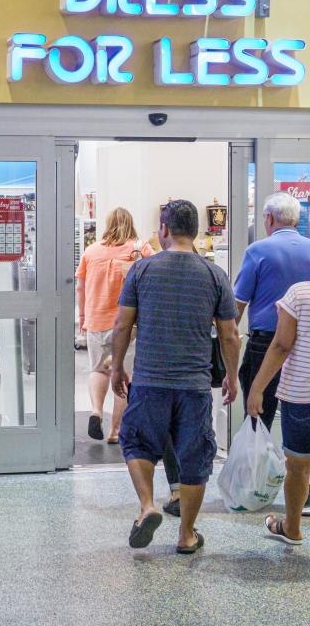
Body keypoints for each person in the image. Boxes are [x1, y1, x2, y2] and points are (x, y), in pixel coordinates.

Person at [111, 200, 240, 553]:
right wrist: (232, 375)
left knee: (136, 441)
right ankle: (186, 535)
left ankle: (148, 506)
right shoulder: (214, 275)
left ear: (164, 230)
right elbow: (229, 335)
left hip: (150, 380)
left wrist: (117, 365)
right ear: (195, 231)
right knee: (195, 457)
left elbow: (122, 323)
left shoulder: (141, 271)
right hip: (194, 385)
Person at [234, 192, 310, 433]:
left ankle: (261, 467)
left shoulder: (258, 251)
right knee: (300, 411)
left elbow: (238, 303)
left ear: (268, 218)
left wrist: (228, 338)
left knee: (259, 414)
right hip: (305, 345)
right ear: (296, 220)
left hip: (265, 343)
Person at [76, 207, 153, 443]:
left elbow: (80, 287)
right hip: (127, 325)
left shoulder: (91, 252)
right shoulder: (141, 250)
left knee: (98, 369)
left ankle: (96, 411)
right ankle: (115, 430)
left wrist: (82, 317)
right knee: (124, 374)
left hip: (96, 320)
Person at [247, 279, 310, 546]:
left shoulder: (299, 293)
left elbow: (282, 345)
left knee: (297, 465)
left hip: (302, 394)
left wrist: (257, 387)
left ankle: (292, 528)